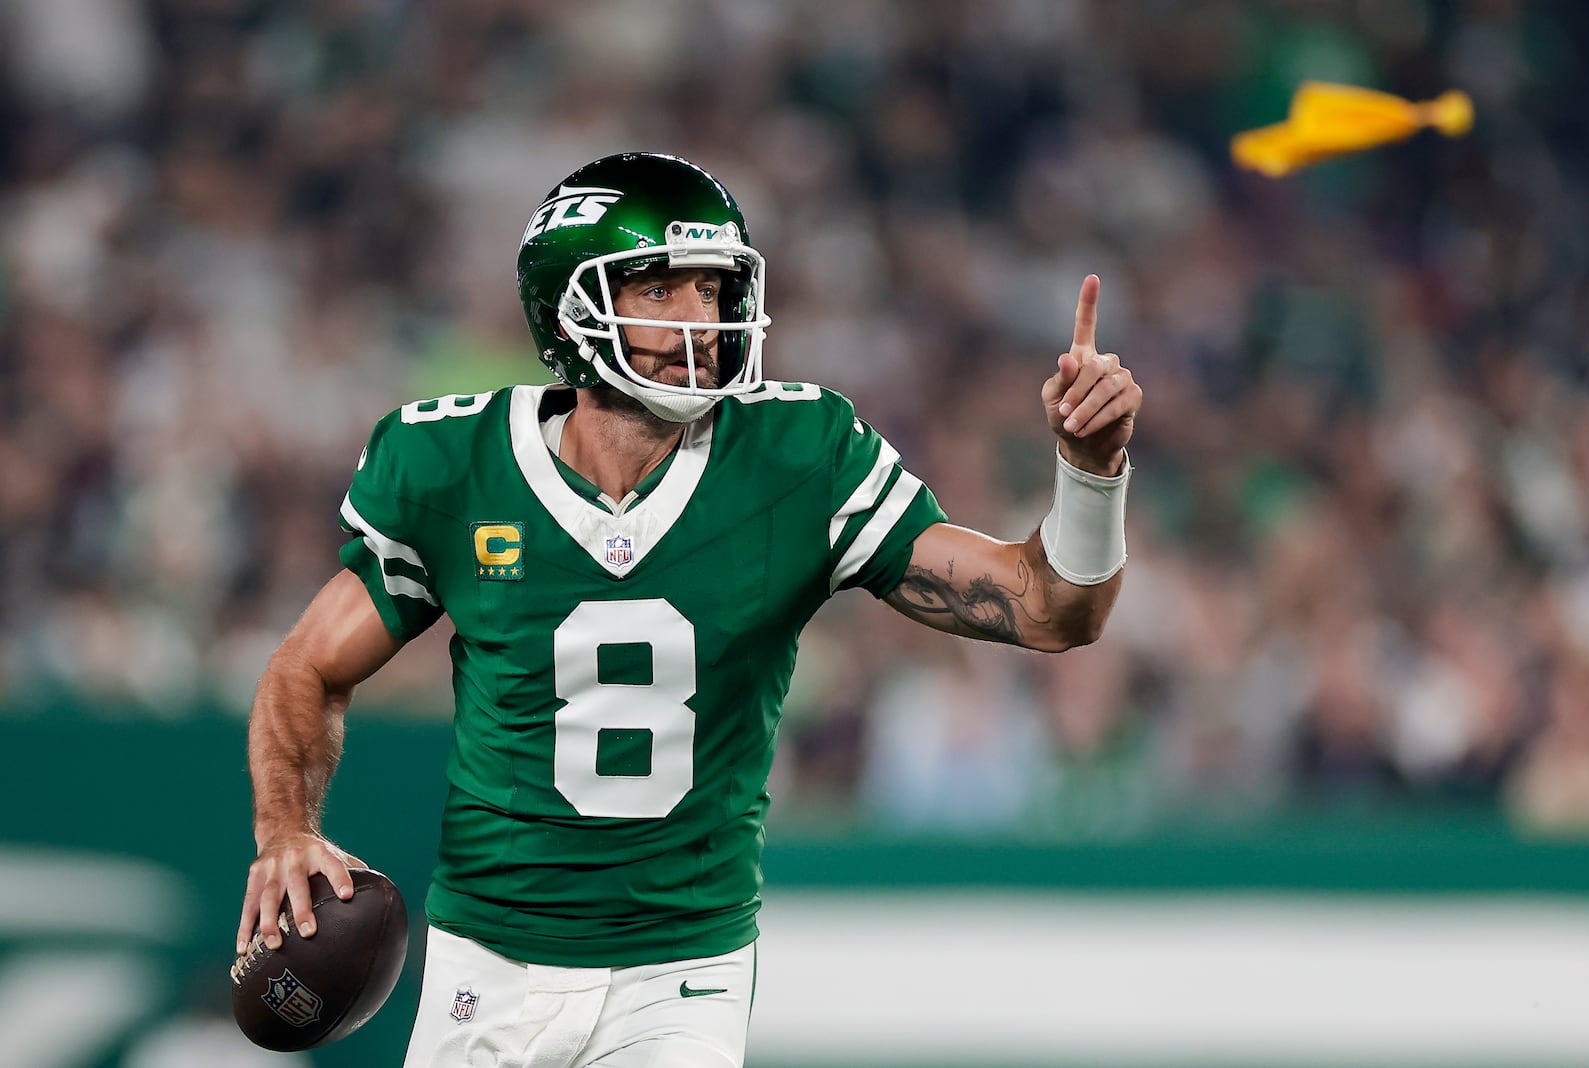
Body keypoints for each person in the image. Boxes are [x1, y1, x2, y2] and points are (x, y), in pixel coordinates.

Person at [236, 151, 1141, 1068]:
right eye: (660, 291)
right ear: (568, 309)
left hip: (684, 969)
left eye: (713, 291)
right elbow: (306, 668)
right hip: (491, 962)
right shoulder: (451, 466)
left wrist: (1091, 473)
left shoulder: (797, 457)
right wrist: (286, 830)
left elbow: (1052, 610)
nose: (700, 321)